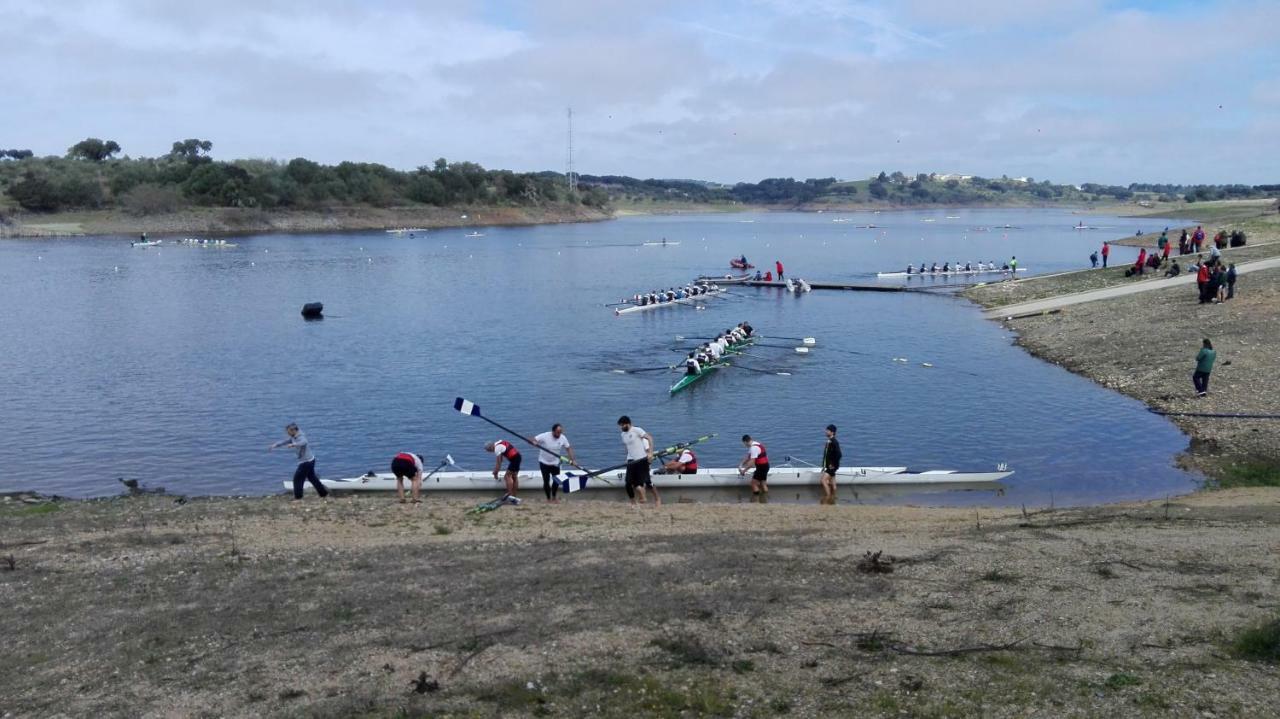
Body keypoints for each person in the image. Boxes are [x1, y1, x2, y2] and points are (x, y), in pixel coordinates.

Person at [270, 423, 328, 500]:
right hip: (310, 460)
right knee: (312, 478)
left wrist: (294, 445)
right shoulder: (293, 436)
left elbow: (304, 442)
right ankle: (324, 494)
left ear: (293, 430)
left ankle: (298, 498)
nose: (288, 433)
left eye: (288, 432)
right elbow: (286, 441)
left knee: (297, 479)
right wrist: (276, 445)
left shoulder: (301, 436)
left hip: (306, 463)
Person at [618, 416, 659, 506]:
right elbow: (627, 447)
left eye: (622, 425)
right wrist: (626, 458)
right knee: (628, 483)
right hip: (631, 460)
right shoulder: (623, 435)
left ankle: (657, 499)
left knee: (647, 482)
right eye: (620, 426)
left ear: (628, 424)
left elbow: (650, 438)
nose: (621, 427)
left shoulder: (637, 430)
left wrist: (651, 453)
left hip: (641, 459)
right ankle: (633, 503)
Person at [531, 423, 575, 503]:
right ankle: (548, 499)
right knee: (546, 481)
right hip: (544, 463)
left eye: (560, 432)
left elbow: (568, 448)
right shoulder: (545, 436)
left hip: (555, 463)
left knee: (556, 481)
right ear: (553, 431)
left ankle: (554, 497)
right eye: (557, 432)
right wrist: (534, 442)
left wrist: (573, 460)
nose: (559, 434)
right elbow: (532, 439)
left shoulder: (563, 438)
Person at [738, 434, 770, 502]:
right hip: (765, 466)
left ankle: (756, 499)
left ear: (745, 442)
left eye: (744, 444)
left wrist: (744, 471)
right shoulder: (756, 444)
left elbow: (751, 463)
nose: (744, 445)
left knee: (753, 483)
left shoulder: (753, 448)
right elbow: (748, 457)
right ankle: (765, 498)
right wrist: (741, 464)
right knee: (763, 483)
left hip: (761, 467)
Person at [819, 425, 842, 506]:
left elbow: (839, 454)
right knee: (833, 483)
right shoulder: (829, 441)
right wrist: (824, 466)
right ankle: (833, 498)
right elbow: (827, 455)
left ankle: (828, 497)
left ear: (832, 432)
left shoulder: (834, 442)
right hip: (829, 466)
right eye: (826, 430)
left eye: (827, 430)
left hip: (831, 466)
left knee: (823, 481)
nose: (826, 432)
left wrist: (833, 464)